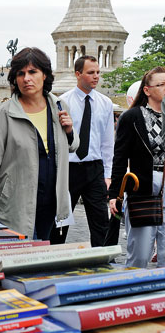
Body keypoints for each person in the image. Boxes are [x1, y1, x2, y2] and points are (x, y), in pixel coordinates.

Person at [0, 47, 78, 239]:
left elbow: (72, 146)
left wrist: (70, 131)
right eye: (20, 73)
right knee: (18, 258)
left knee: (41, 258)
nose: (26, 79)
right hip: (15, 204)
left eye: (32, 72)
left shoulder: (59, 107)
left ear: (45, 75)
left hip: (51, 203)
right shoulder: (4, 114)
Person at [51, 55, 114, 247]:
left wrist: (108, 174)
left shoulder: (105, 103)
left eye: (97, 72)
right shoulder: (62, 102)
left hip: (95, 168)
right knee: (60, 221)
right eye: (90, 72)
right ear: (78, 74)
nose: (96, 76)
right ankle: (54, 259)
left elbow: (107, 142)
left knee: (101, 221)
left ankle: (102, 262)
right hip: (69, 168)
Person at [109, 67, 165, 267]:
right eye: (161, 84)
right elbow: (120, 158)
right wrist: (114, 194)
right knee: (140, 254)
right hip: (143, 185)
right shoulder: (131, 117)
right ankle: (135, 290)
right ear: (147, 90)